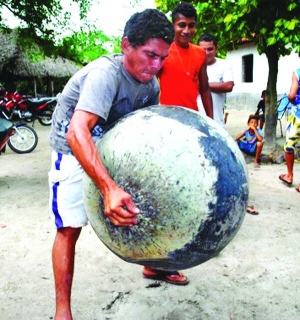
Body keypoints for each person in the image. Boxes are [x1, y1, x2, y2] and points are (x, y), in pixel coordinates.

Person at [48, 9, 175, 319]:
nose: (156, 65)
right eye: (149, 55)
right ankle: (62, 311)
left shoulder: (151, 85)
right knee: (69, 229)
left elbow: (145, 132)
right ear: (126, 45)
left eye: (162, 58)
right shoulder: (106, 75)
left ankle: (151, 263)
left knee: (144, 204)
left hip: (112, 147)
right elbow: (77, 132)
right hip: (73, 148)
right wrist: (108, 188)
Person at [157, 2, 213, 117]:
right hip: (167, 117)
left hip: (191, 117)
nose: (187, 30)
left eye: (191, 25)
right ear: (173, 25)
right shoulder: (163, 50)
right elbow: (150, 86)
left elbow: (205, 89)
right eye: (182, 25)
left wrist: (211, 120)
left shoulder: (200, 53)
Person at [197, 33, 234, 126]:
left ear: (216, 49)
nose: (206, 52)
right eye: (203, 49)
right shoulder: (192, 65)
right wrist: (217, 85)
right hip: (196, 123)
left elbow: (229, 86)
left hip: (217, 123)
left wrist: (201, 85)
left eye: (210, 49)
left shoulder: (224, 65)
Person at [279, 67, 300, 192]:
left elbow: (292, 95)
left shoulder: (297, 73)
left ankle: (289, 175)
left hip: (297, 116)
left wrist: (291, 98)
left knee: (289, 146)